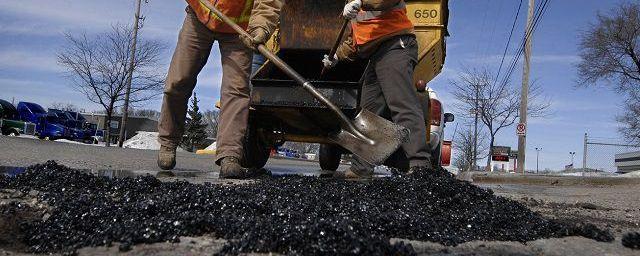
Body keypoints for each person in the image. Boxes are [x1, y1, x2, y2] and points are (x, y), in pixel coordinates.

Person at [157, 0, 283, 179]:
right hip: (199, 17)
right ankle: (168, 142)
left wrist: (261, 27)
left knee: (237, 91)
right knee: (178, 81)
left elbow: (269, 1)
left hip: (239, 29)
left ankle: (229, 155)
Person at [322, 0, 432, 178]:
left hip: (396, 45)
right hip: (376, 54)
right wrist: (336, 56)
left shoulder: (361, 2)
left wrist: (362, 2)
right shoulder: (352, 3)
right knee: (369, 112)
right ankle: (360, 169)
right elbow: (358, 38)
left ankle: (420, 166)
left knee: (402, 104)